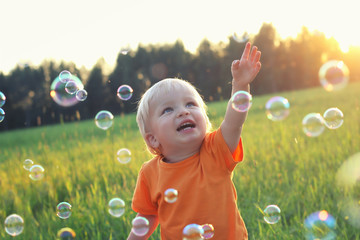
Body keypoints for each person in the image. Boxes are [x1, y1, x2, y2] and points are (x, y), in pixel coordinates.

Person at [127, 42, 261, 240]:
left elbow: (234, 122)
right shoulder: (149, 173)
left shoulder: (215, 150)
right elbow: (146, 216)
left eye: (190, 104)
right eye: (167, 110)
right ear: (153, 139)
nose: (183, 111)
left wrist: (240, 84)